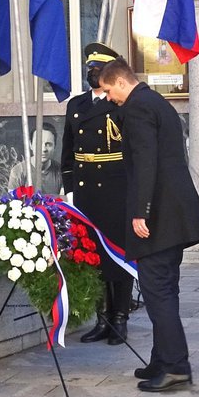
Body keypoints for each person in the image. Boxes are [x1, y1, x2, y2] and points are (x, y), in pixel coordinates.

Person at [99, 57, 199, 391]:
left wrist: (140, 211)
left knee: (156, 290)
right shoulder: (155, 101)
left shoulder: (137, 107)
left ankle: (175, 365)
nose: (107, 98)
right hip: (174, 213)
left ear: (120, 82)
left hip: (158, 216)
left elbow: (146, 162)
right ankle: (163, 358)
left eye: (107, 90)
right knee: (164, 289)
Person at [60, 43, 133, 346]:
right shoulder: (76, 105)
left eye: (98, 69)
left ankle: (120, 318)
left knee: (118, 255)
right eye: (89, 68)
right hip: (86, 190)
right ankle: (101, 317)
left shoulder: (120, 105)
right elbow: (67, 153)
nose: (92, 72)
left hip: (115, 188)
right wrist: (69, 189)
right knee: (93, 255)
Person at [32, 122, 62, 195]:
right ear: (30, 145)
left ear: (54, 146)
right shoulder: (18, 172)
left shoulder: (61, 172)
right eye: (38, 143)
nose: (44, 149)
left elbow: (63, 203)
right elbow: (12, 204)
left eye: (48, 144)